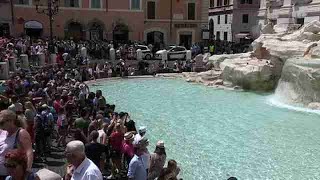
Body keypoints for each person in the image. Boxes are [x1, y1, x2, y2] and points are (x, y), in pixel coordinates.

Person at [0, 110, 33, 178]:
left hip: (12, 175)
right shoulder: (2, 133)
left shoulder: (21, 133)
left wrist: (28, 170)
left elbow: (29, 152)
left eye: (2, 122)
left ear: (11, 121)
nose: (0, 125)